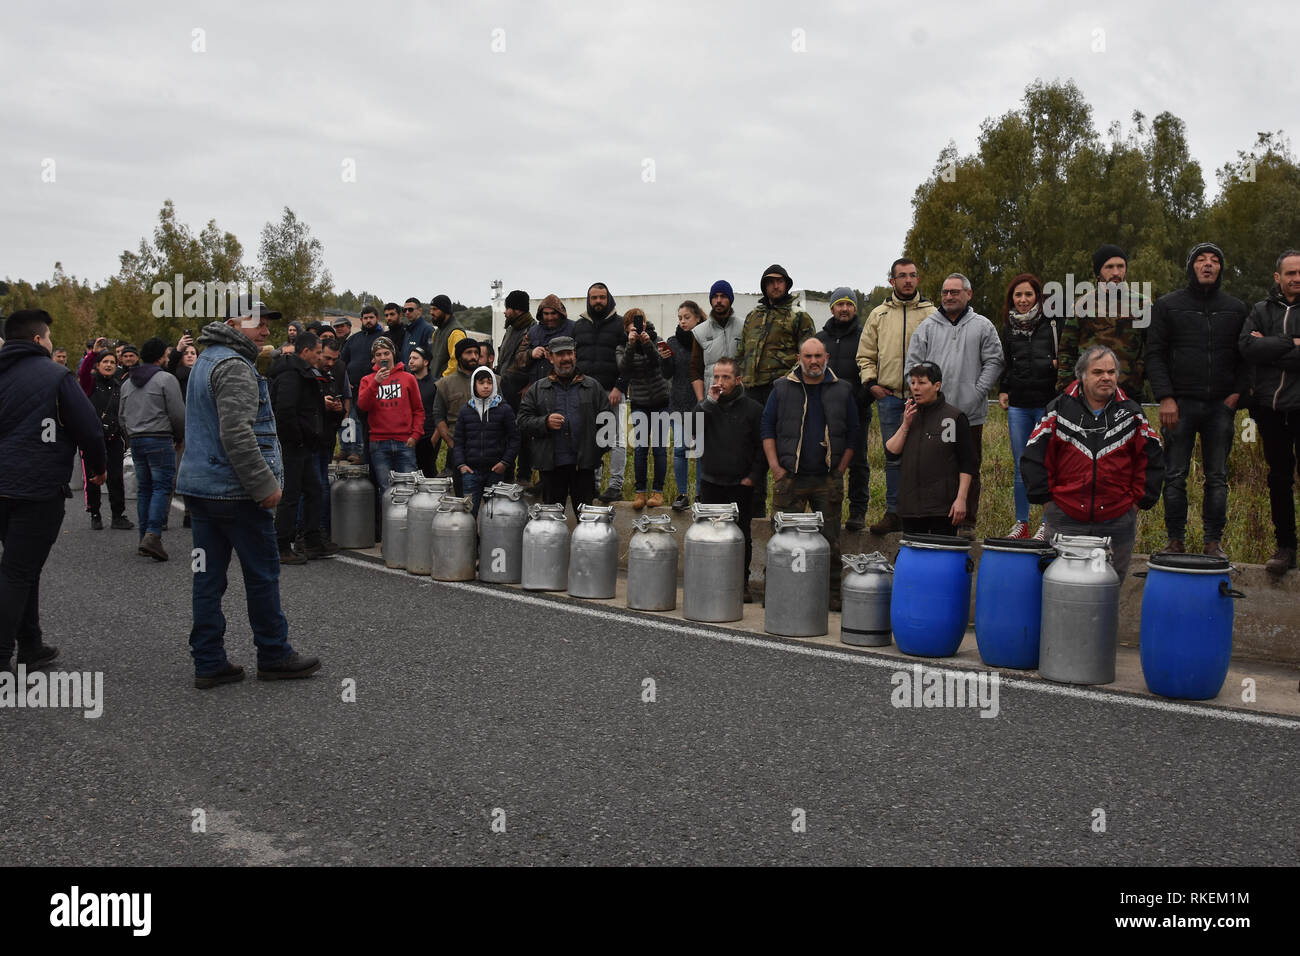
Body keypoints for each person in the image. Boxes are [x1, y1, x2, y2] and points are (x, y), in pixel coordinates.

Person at [176, 298, 321, 688]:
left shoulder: (206, 359)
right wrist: (264, 485)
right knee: (262, 575)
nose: (265, 331)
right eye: (255, 322)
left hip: (202, 491)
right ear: (232, 323)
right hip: (235, 493)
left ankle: (208, 661)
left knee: (207, 578)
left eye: (268, 324)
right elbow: (236, 434)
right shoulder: (234, 367)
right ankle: (274, 654)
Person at [0, 310, 107, 673]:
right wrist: (98, 467)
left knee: (21, 567)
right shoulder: (55, 376)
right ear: (36, 340)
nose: (50, 343)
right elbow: (89, 429)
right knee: (17, 571)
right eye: (48, 337)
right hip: (37, 488)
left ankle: (31, 645)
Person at [1021, 345, 1164, 582]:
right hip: (1065, 520)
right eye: (1098, 372)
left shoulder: (1132, 414)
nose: (1106, 377)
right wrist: (1047, 502)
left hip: (1117, 522)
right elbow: (1035, 456)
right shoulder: (1058, 410)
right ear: (1082, 375)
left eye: (1111, 372)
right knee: (1060, 590)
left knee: (1108, 593)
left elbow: (1151, 461)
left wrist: (1136, 504)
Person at [1147, 242, 1249, 558]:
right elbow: (1154, 355)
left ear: (1221, 268)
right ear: (1191, 266)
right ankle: (1174, 541)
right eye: (1201, 260)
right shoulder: (1167, 305)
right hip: (1179, 406)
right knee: (1175, 475)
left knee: (1217, 478)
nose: (1208, 264)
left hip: (1221, 406)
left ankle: (1212, 543)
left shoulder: (1236, 308)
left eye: (1214, 260)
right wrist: (1165, 397)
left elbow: (1247, 356)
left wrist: (1235, 395)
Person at [761, 336, 859, 611]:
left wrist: (839, 470)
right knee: (780, 539)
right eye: (808, 356)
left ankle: (832, 595)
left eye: (818, 356)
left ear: (826, 357)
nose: (813, 361)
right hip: (789, 478)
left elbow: (853, 435)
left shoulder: (842, 389)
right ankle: (775, 591)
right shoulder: (781, 388)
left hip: (826, 480)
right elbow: (767, 428)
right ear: (799, 359)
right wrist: (776, 468)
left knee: (830, 541)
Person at [905, 273, 1004, 538]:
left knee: (967, 464)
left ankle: (967, 522)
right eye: (945, 292)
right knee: (933, 466)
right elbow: (912, 366)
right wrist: (922, 395)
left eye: (955, 292)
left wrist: (978, 391)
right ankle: (935, 516)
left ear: (968, 294)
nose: (949, 296)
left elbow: (994, 361)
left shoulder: (983, 326)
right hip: (932, 415)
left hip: (968, 414)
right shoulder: (927, 327)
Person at [857, 258, 936, 535]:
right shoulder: (879, 314)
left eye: (912, 275)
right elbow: (865, 355)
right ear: (892, 280)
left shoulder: (931, 313)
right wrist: (871, 384)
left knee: (925, 457)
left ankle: (922, 514)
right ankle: (894, 512)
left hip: (923, 399)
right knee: (894, 456)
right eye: (902, 276)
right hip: (890, 397)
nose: (908, 280)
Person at [736, 263, 815, 518]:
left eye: (780, 281)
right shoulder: (753, 316)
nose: (776, 285)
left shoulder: (799, 316)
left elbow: (809, 357)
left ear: (787, 284)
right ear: (764, 285)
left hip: (782, 392)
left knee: (783, 452)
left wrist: (789, 381)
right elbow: (742, 353)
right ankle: (755, 512)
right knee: (752, 452)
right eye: (770, 281)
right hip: (751, 391)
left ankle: (784, 512)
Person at [1238, 249, 1300, 576]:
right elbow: (1247, 347)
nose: (1296, 278)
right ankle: (1286, 548)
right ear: (1278, 277)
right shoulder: (1261, 310)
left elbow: (1262, 350)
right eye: (1290, 273)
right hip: (1270, 409)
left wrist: (1272, 347)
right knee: (1278, 479)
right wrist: (1292, 344)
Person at [517, 335, 613, 517]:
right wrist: (544, 422)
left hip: (583, 467)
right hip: (551, 468)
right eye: (560, 354)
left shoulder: (593, 387)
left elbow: (608, 421)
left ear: (575, 355)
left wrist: (596, 452)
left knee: (587, 522)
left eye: (569, 353)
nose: (566, 358)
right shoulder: (537, 389)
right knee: (551, 523)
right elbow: (522, 421)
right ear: (550, 357)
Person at [696, 357, 764, 602]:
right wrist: (709, 402)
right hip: (711, 481)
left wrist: (753, 478)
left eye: (725, 377)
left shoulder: (753, 409)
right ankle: (709, 579)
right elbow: (693, 428)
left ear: (737, 380)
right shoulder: (708, 405)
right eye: (716, 377)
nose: (719, 382)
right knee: (709, 534)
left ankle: (741, 582)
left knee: (741, 536)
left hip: (740, 485)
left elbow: (761, 448)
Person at [997, 273, 1059, 539]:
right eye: (1018, 295)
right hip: (1019, 405)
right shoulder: (1008, 328)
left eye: (1028, 294)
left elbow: (1066, 357)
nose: (1023, 300)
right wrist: (1003, 389)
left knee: (1048, 463)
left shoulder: (1053, 324)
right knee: (1021, 464)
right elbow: (1005, 363)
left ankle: (1047, 523)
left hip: (1048, 404)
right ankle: (1021, 523)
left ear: (1038, 297)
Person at [885, 362, 976, 535]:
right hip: (911, 507)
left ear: (937, 386)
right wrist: (905, 425)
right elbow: (891, 452)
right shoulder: (909, 415)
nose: (916, 388)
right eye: (912, 383)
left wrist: (961, 499)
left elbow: (968, 463)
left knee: (939, 559)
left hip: (942, 509)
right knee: (915, 559)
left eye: (922, 383)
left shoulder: (954, 417)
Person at [270, 331, 338, 564]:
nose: (321, 357)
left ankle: (310, 540)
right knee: (291, 495)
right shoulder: (291, 373)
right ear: (306, 351)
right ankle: (282, 545)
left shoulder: (304, 372)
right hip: (294, 445)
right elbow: (286, 410)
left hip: (305, 443)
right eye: (318, 352)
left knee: (314, 490)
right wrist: (298, 438)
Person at [120, 336, 185, 560]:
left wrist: (131, 435)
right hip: (159, 438)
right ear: (159, 357)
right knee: (161, 487)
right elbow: (178, 414)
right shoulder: (166, 379)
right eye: (166, 355)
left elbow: (121, 415)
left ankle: (143, 538)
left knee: (145, 489)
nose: (168, 358)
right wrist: (179, 436)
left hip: (136, 439)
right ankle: (153, 535)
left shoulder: (127, 382)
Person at [1057, 243, 1147, 398]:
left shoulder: (1142, 304)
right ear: (1098, 272)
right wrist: (1065, 388)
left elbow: (1152, 347)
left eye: (1120, 266)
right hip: (1088, 392)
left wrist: (1140, 373)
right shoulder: (1082, 304)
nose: (1116, 272)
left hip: (1128, 391)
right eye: (1109, 267)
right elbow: (1067, 349)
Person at [818, 287, 870, 531]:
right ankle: (826, 511)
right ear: (832, 308)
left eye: (849, 304)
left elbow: (871, 373)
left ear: (855, 308)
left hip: (857, 411)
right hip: (823, 414)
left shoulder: (865, 336)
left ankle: (858, 512)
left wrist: (856, 402)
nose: (845, 309)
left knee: (858, 462)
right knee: (824, 462)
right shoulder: (820, 339)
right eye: (840, 304)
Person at [575, 282, 628, 503]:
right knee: (591, 439)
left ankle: (615, 486)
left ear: (609, 298)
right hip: (586, 392)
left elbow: (630, 359)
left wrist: (619, 386)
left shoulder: (620, 325)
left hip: (614, 391)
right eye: (594, 298)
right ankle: (593, 486)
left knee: (617, 440)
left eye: (602, 297)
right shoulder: (578, 326)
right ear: (589, 299)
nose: (598, 302)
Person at [616, 308, 673, 509]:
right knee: (640, 449)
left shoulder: (657, 340)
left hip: (661, 401)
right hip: (639, 402)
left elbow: (661, 365)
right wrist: (632, 345)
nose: (636, 328)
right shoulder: (622, 346)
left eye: (638, 323)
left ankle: (658, 492)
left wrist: (648, 344)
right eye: (631, 325)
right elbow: (624, 368)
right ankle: (640, 493)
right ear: (626, 328)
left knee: (659, 449)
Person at [356, 335, 423, 500]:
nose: (383, 357)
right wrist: (375, 383)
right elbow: (362, 406)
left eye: (386, 353)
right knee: (386, 491)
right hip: (379, 444)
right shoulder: (367, 380)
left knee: (409, 490)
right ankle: (387, 525)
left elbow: (419, 410)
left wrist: (415, 435)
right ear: (374, 358)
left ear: (393, 354)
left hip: (404, 442)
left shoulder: (408, 378)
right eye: (378, 354)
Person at [77, 341, 131, 530]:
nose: (108, 365)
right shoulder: (89, 384)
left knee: (116, 477)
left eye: (111, 362)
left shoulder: (119, 385)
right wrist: (93, 353)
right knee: (93, 478)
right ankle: (95, 513)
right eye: (104, 362)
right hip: (92, 440)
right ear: (97, 366)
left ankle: (118, 515)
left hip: (114, 438)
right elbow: (83, 373)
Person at [453, 367, 520, 515]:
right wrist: (461, 465)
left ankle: (489, 539)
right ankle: (471, 539)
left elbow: (514, 438)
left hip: (495, 471)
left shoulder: (504, 409)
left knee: (494, 515)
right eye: (481, 382)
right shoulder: (465, 410)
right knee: (469, 513)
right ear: (474, 385)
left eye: (489, 382)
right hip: (471, 472)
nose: (485, 386)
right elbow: (458, 441)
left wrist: (505, 462)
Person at [431, 338, 481, 493]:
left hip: (488, 449)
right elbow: (438, 415)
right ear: (459, 356)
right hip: (458, 448)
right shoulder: (445, 384)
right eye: (468, 353)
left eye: (476, 353)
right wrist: (452, 443)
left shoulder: (491, 380)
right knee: (462, 497)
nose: (473, 356)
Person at [666, 300, 703, 510]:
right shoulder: (672, 342)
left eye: (686, 317)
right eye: (680, 318)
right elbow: (666, 373)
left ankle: (699, 494)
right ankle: (682, 494)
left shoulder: (705, 338)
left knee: (699, 451)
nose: (682, 321)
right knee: (680, 449)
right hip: (678, 403)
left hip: (699, 402)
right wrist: (664, 359)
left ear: (697, 318)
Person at [496, 290, 535, 482]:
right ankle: (507, 476)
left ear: (517, 310)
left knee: (524, 436)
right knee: (506, 433)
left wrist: (529, 386)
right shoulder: (511, 328)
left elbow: (533, 363)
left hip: (521, 393)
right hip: (506, 390)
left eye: (507, 308)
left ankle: (524, 477)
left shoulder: (532, 330)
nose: (505, 312)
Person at [316, 337, 349, 534]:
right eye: (327, 358)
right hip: (309, 439)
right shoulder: (306, 372)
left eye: (334, 360)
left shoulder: (338, 370)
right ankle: (304, 531)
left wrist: (338, 410)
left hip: (328, 435)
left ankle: (321, 530)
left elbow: (345, 397)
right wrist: (321, 403)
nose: (330, 363)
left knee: (323, 483)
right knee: (312, 486)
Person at [690, 280, 742, 402]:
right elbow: (695, 369)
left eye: (723, 296)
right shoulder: (700, 331)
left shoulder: (744, 326)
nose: (718, 300)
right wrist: (701, 400)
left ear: (730, 299)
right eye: (715, 296)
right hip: (712, 397)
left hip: (739, 397)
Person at [406, 344, 441, 477]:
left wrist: (434, 439)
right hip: (408, 437)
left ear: (426, 362)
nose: (411, 361)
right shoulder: (406, 382)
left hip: (428, 438)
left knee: (428, 475)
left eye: (415, 358)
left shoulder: (436, 385)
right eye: (410, 358)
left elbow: (441, 414)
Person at [428, 294, 467, 378]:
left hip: (447, 386)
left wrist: (442, 380)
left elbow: (455, 363)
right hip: (436, 383)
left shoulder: (456, 333)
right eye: (431, 309)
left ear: (445, 310)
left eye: (435, 309)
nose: (431, 312)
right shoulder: (437, 332)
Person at [398, 296, 434, 367]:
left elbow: (431, 357)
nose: (407, 312)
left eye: (410, 309)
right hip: (407, 375)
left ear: (419, 311)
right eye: (404, 310)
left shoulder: (428, 330)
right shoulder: (407, 330)